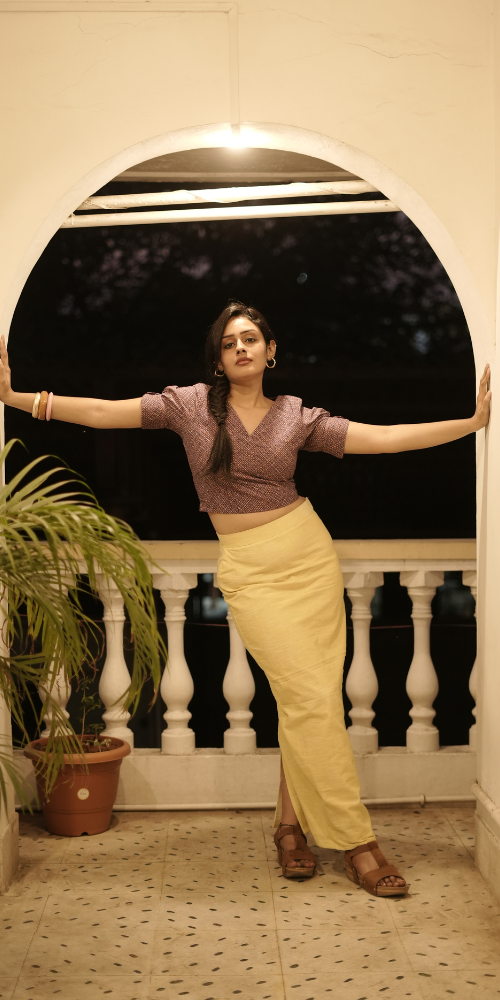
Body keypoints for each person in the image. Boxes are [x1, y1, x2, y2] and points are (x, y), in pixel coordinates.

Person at [0, 301, 491, 897]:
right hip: (251, 571)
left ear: (270, 350)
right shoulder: (190, 407)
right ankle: (358, 842)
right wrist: (21, 399)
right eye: (230, 341)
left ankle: (289, 827)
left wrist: (469, 424)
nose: (241, 347)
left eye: (251, 338)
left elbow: (382, 439)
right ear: (218, 358)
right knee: (309, 700)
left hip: (308, 557)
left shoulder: (295, 415)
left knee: (307, 702)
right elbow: (106, 412)